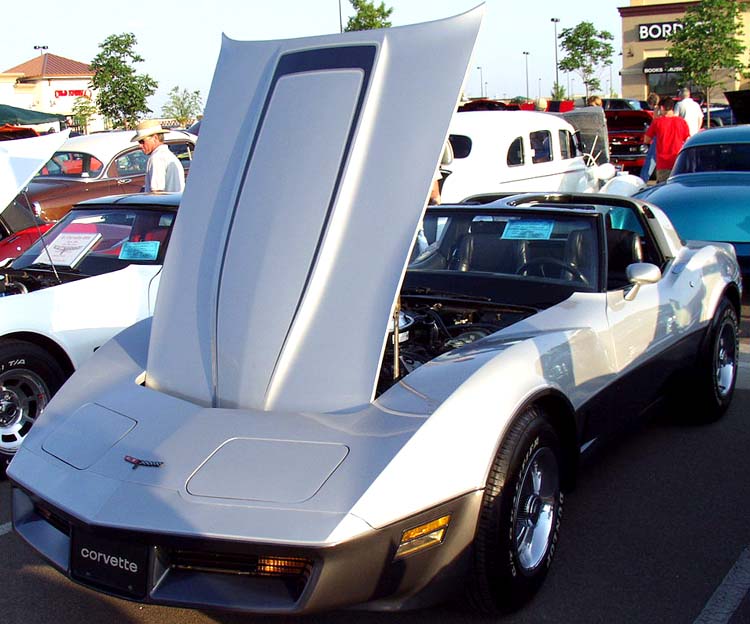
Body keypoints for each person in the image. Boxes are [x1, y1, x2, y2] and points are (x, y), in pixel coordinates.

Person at [644, 96, 690, 182]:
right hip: (678, 161)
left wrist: (655, 115)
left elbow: (647, 139)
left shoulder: (657, 122)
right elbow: (687, 139)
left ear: (661, 108)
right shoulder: (681, 122)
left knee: (663, 187)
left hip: (663, 163)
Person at [131, 119, 185, 192]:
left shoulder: (157, 158)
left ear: (155, 138)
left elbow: (157, 192)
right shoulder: (167, 155)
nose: (140, 145)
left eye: (142, 141)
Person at [640, 93, 660, 182]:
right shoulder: (661, 109)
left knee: (651, 159)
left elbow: (654, 124)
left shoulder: (656, 110)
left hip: (657, 137)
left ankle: (643, 179)